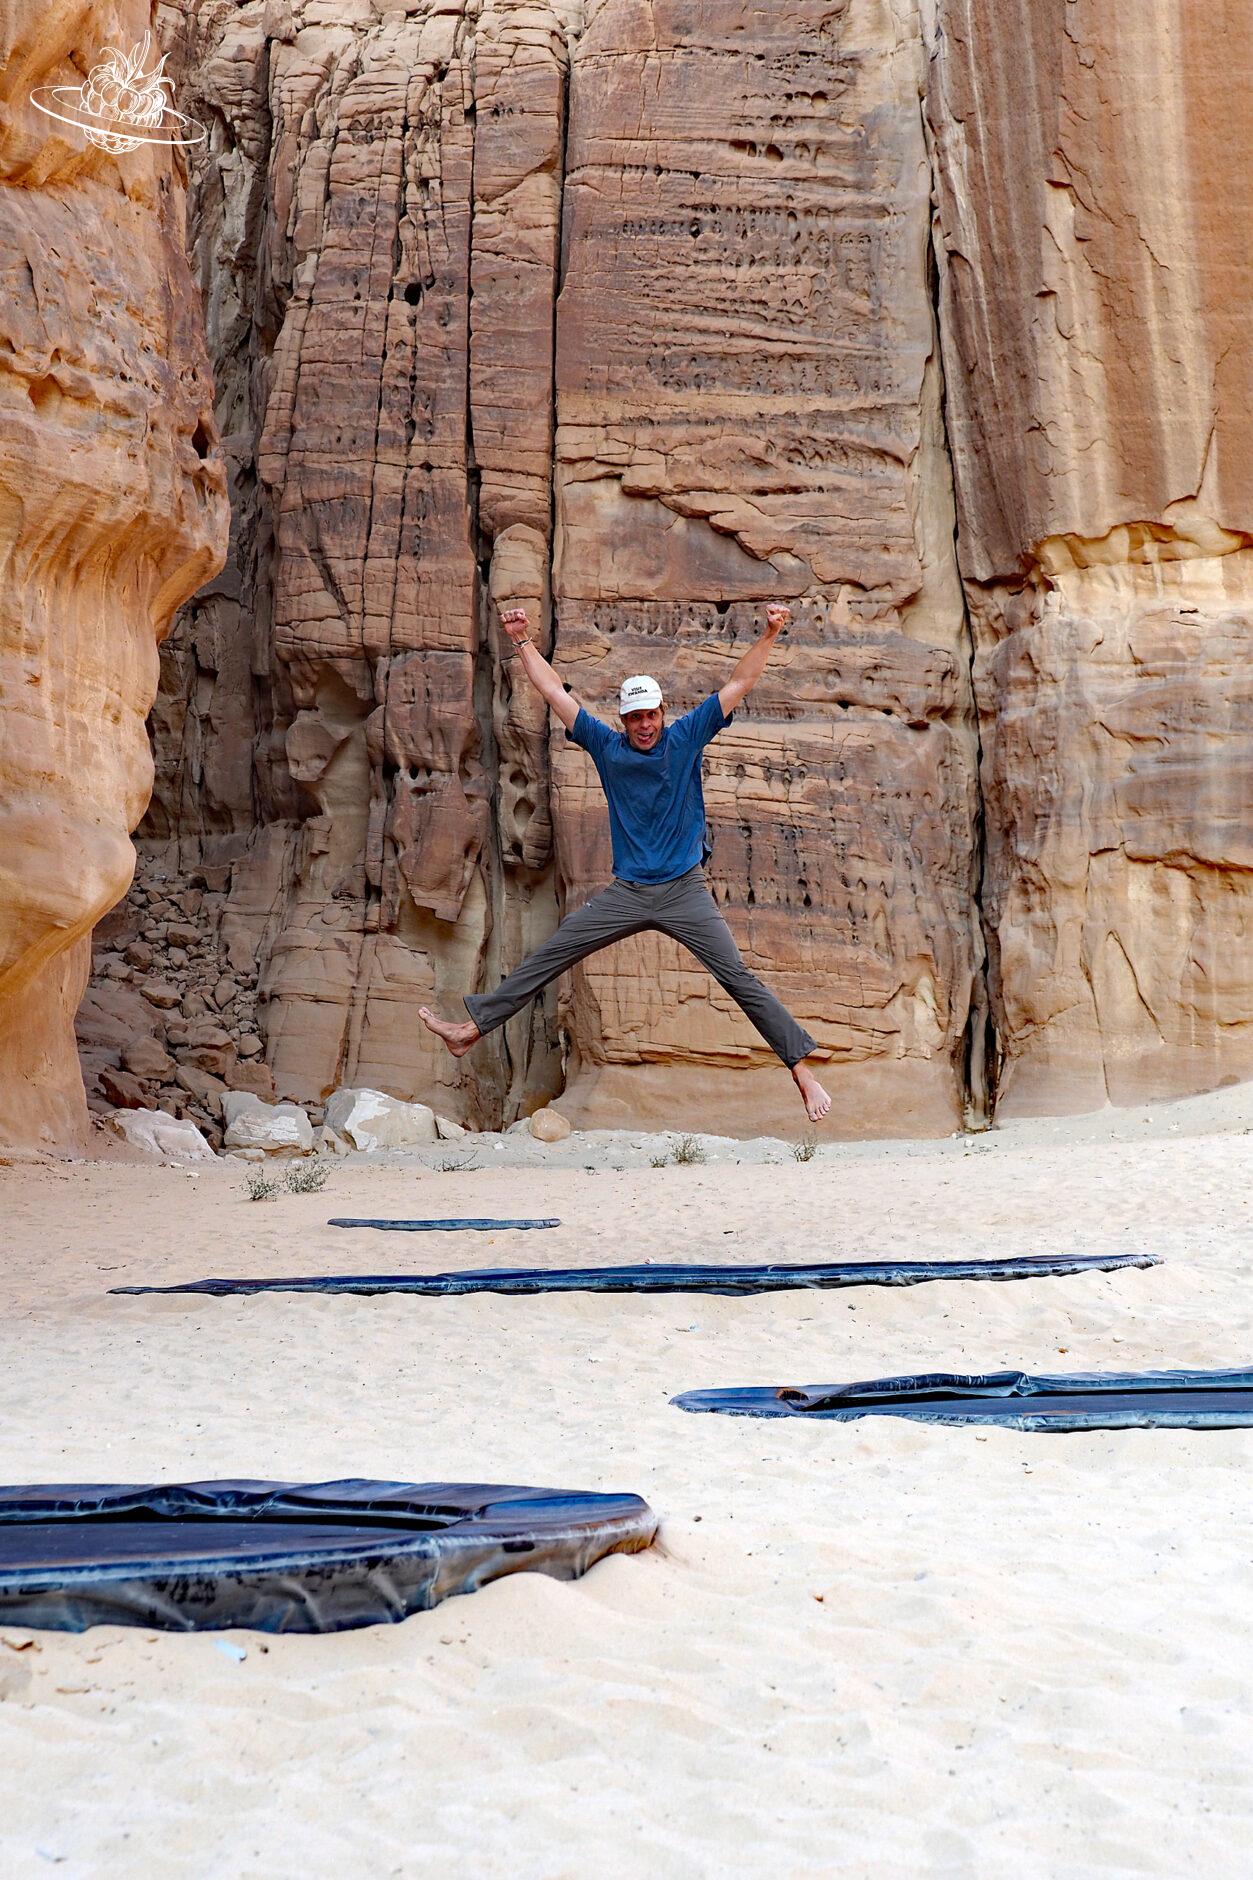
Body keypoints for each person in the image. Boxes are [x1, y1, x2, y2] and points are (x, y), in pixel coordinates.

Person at [419, 602, 832, 1123]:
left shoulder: (685, 738)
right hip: (629, 892)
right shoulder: (607, 747)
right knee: (555, 952)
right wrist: (522, 640)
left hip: (684, 889)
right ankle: (470, 1031)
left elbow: (739, 682)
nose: (643, 725)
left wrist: (772, 632)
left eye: (650, 715)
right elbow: (553, 692)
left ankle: (801, 1070)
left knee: (738, 977)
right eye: (634, 717)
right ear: (624, 719)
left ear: (663, 713)